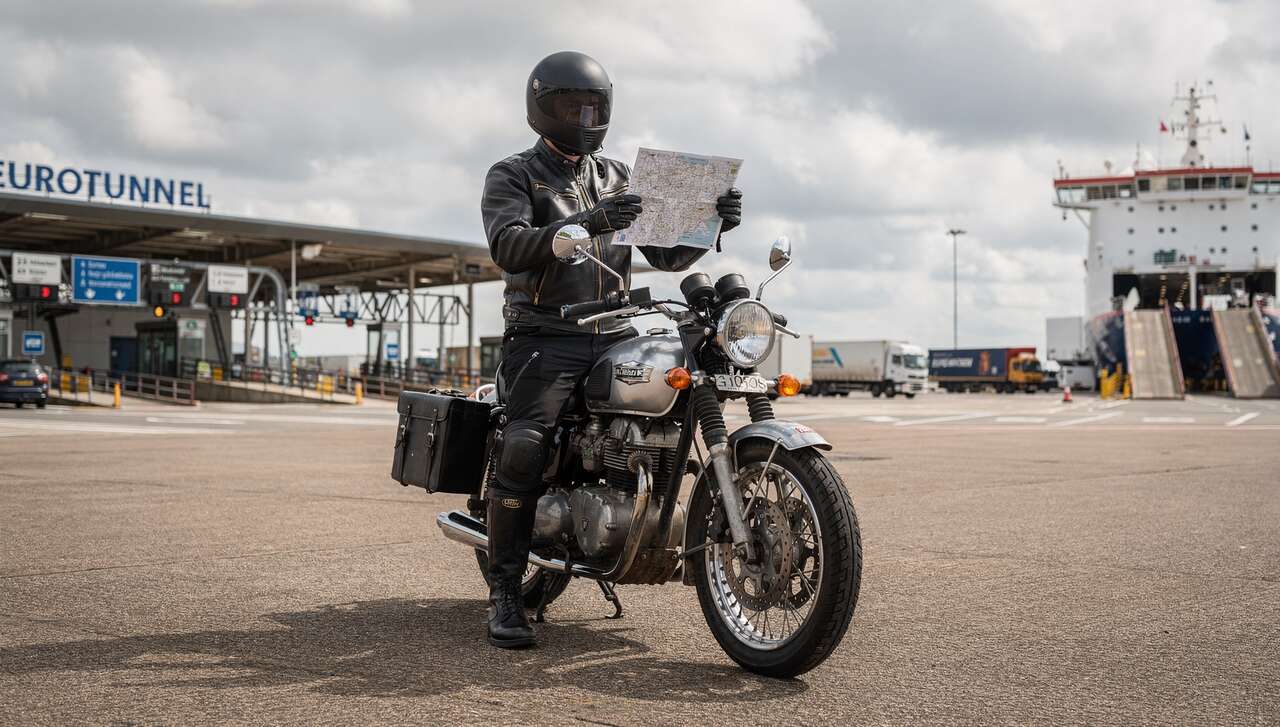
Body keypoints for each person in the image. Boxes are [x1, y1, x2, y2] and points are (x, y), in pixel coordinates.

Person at [479, 50, 743, 648]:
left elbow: (667, 257)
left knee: (678, 398)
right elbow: (510, 246)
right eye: (575, 105)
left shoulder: (619, 175)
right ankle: (503, 592)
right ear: (544, 108)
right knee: (524, 444)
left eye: (595, 106)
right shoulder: (513, 174)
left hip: (617, 329)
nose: (587, 115)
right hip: (547, 332)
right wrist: (590, 223)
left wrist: (713, 224)